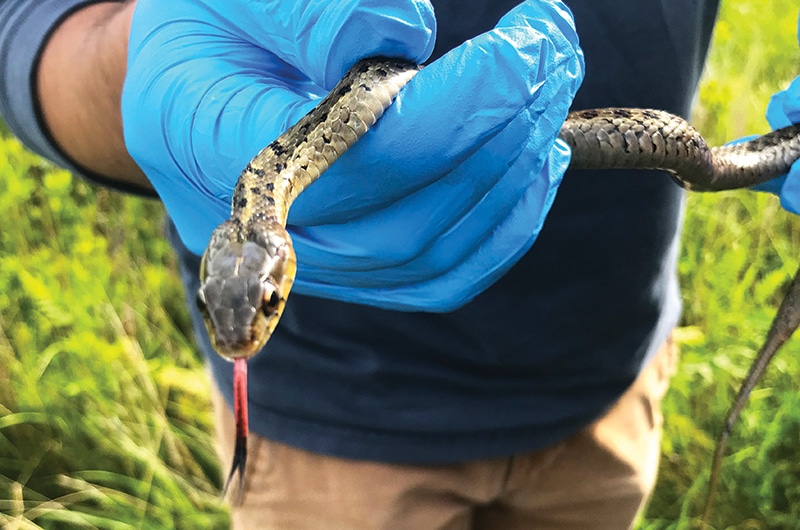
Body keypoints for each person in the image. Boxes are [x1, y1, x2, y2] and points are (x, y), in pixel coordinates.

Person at [1, 0, 798, 528]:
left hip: (609, 374)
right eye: (237, 311)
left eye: (259, 304)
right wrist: (125, 59)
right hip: (332, 432)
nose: (243, 330)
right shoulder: (264, 222)